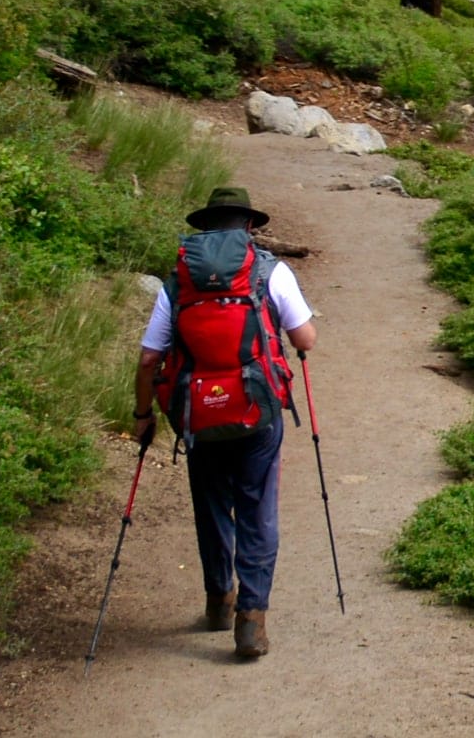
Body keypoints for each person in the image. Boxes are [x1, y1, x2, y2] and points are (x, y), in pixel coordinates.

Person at [133, 186, 316, 662]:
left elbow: (150, 356)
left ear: (207, 228)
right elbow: (305, 339)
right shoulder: (270, 270)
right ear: (250, 226)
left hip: (197, 412)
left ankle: (218, 601)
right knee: (257, 509)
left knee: (212, 504)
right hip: (257, 410)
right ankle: (251, 622)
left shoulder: (178, 281)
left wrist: (142, 415)